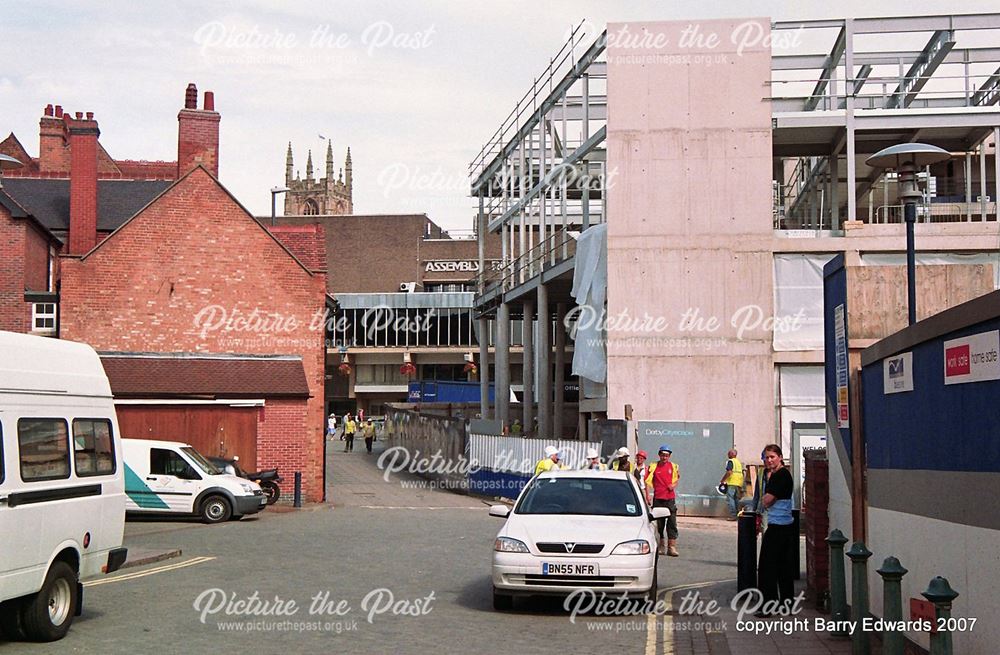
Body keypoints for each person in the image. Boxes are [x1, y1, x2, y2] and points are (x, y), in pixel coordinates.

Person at [757, 444, 796, 615]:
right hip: (785, 527)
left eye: (772, 456)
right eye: (767, 457)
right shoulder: (781, 475)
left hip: (778, 528)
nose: (769, 460)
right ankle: (786, 604)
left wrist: (765, 498)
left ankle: (768, 606)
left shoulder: (780, 476)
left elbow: (766, 500)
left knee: (767, 568)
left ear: (780, 457)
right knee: (783, 568)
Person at [645, 444, 681, 556]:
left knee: (672, 523)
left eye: (666, 455)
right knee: (660, 524)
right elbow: (647, 481)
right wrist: (647, 495)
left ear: (669, 456)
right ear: (659, 455)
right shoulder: (653, 466)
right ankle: (661, 545)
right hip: (658, 498)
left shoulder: (674, 466)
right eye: (662, 455)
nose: (664, 457)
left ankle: (672, 547)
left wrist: (673, 485)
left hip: (669, 499)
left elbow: (677, 479)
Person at [719, 448, 744, 520]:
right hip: (738, 482)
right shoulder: (738, 462)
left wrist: (723, 480)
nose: (727, 454)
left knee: (730, 499)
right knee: (736, 499)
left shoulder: (730, 461)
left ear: (732, 454)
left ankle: (733, 515)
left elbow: (729, 472)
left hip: (732, 482)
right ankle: (738, 515)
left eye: (729, 453)